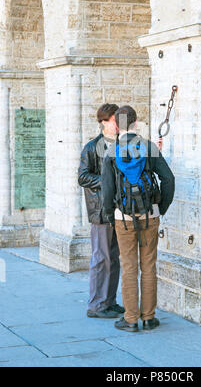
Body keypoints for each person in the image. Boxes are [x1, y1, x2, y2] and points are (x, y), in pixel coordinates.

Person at [102, 105, 175, 332]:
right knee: (149, 265)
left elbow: (107, 190)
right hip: (150, 215)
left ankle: (131, 318)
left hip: (122, 218)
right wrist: (160, 207)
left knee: (129, 266)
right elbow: (169, 179)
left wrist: (109, 213)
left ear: (116, 125)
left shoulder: (111, 151)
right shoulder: (149, 147)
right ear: (135, 123)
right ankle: (149, 317)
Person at [78, 103, 125, 319]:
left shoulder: (122, 144)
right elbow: (83, 176)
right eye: (115, 120)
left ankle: (109, 301)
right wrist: (107, 181)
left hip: (118, 209)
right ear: (104, 122)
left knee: (113, 257)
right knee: (101, 257)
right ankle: (96, 305)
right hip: (100, 211)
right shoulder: (91, 147)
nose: (118, 125)